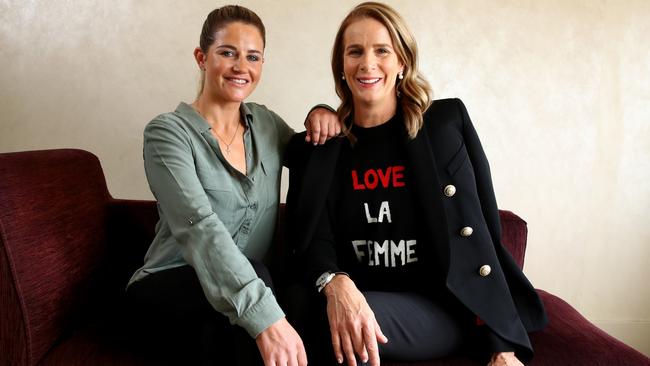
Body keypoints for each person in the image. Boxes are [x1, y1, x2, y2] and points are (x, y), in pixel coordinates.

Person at [285, 2, 548, 366]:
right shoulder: (320, 148)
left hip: (433, 307)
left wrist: (500, 344)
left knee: (354, 326)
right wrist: (337, 284)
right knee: (294, 312)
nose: (367, 63)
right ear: (341, 67)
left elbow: (479, 233)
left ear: (402, 62)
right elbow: (311, 240)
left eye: (382, 51)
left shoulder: (443, 128)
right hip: (352, 294)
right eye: (355, 52)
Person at [125, 5, 339, 366]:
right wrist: (266, 315)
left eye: (252, 57)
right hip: (168, 286)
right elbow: (199, 226)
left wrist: (323, 112)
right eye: (228, 53)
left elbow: (314, 157)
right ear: (201, 57)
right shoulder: (167, 134)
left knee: (276, 310)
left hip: (244, 292)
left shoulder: (266, 124)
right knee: (250, 302)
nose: (242, 67)